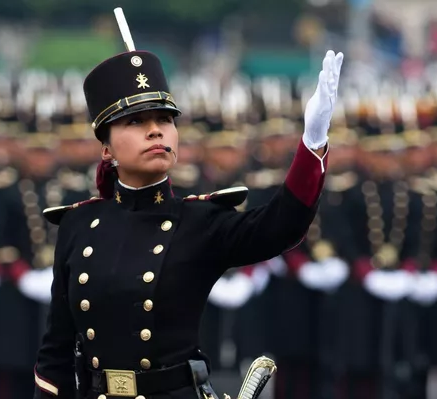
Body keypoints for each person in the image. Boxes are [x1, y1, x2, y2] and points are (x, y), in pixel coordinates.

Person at [33, 48, 344, 399]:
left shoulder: (198, 221)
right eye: (135, 122)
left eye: (165, 120)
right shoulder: (78, 224)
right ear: (106, 148)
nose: (156, 132)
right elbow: (55, 354)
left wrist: (312, 142)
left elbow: (281, 226)